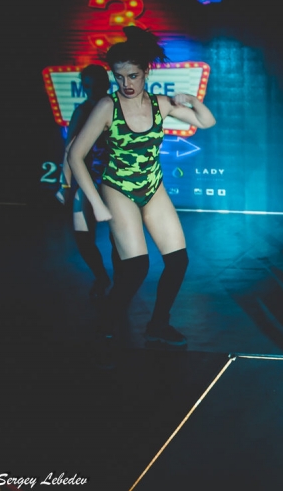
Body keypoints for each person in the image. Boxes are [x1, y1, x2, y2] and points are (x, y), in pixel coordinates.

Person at [68, 26, 216, 347]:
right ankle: (105, 324)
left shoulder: (160, 103)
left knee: (178, 261)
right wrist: (97, 203)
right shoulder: (107, 107)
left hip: (152, 185)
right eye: (119, 77)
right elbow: (75, 155)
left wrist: (191, 100)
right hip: (118, 188)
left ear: (146, 72)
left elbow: (207, 121)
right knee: (136, 268)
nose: (126, 83)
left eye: (133, 76)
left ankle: (158, 325)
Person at [57, 64, 118, 299]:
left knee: (117, 237)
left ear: (106, 84)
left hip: (114, 182)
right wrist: (65, 184)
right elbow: (69, 150)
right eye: (87, 86)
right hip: (87, 180)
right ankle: (102, 277)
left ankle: (120, 283)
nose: (92, 90)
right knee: (83, 236)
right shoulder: (82, 111)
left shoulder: (116, 107)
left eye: (96, 85)